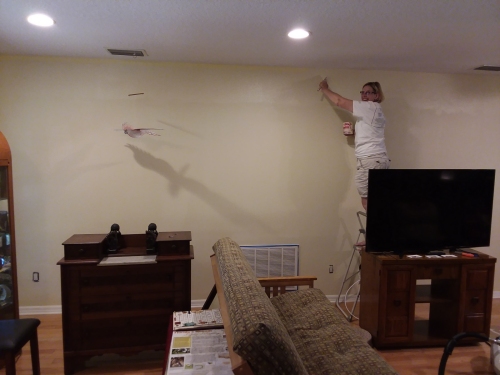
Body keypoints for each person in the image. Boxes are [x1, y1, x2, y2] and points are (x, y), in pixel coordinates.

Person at [318, 78, 390, 211]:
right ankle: (383, 227)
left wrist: (324, 88)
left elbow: (340, 102)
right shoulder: (374, 111)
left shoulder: (370, 107)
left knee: (367, 202)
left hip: (370, 160)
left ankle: (377, 228)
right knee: (377, 198)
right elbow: (371, 134)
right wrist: (354, 133)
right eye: (362, 92)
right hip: (378, 159)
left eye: (368, 92)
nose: (364, 95)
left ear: (377, 95)